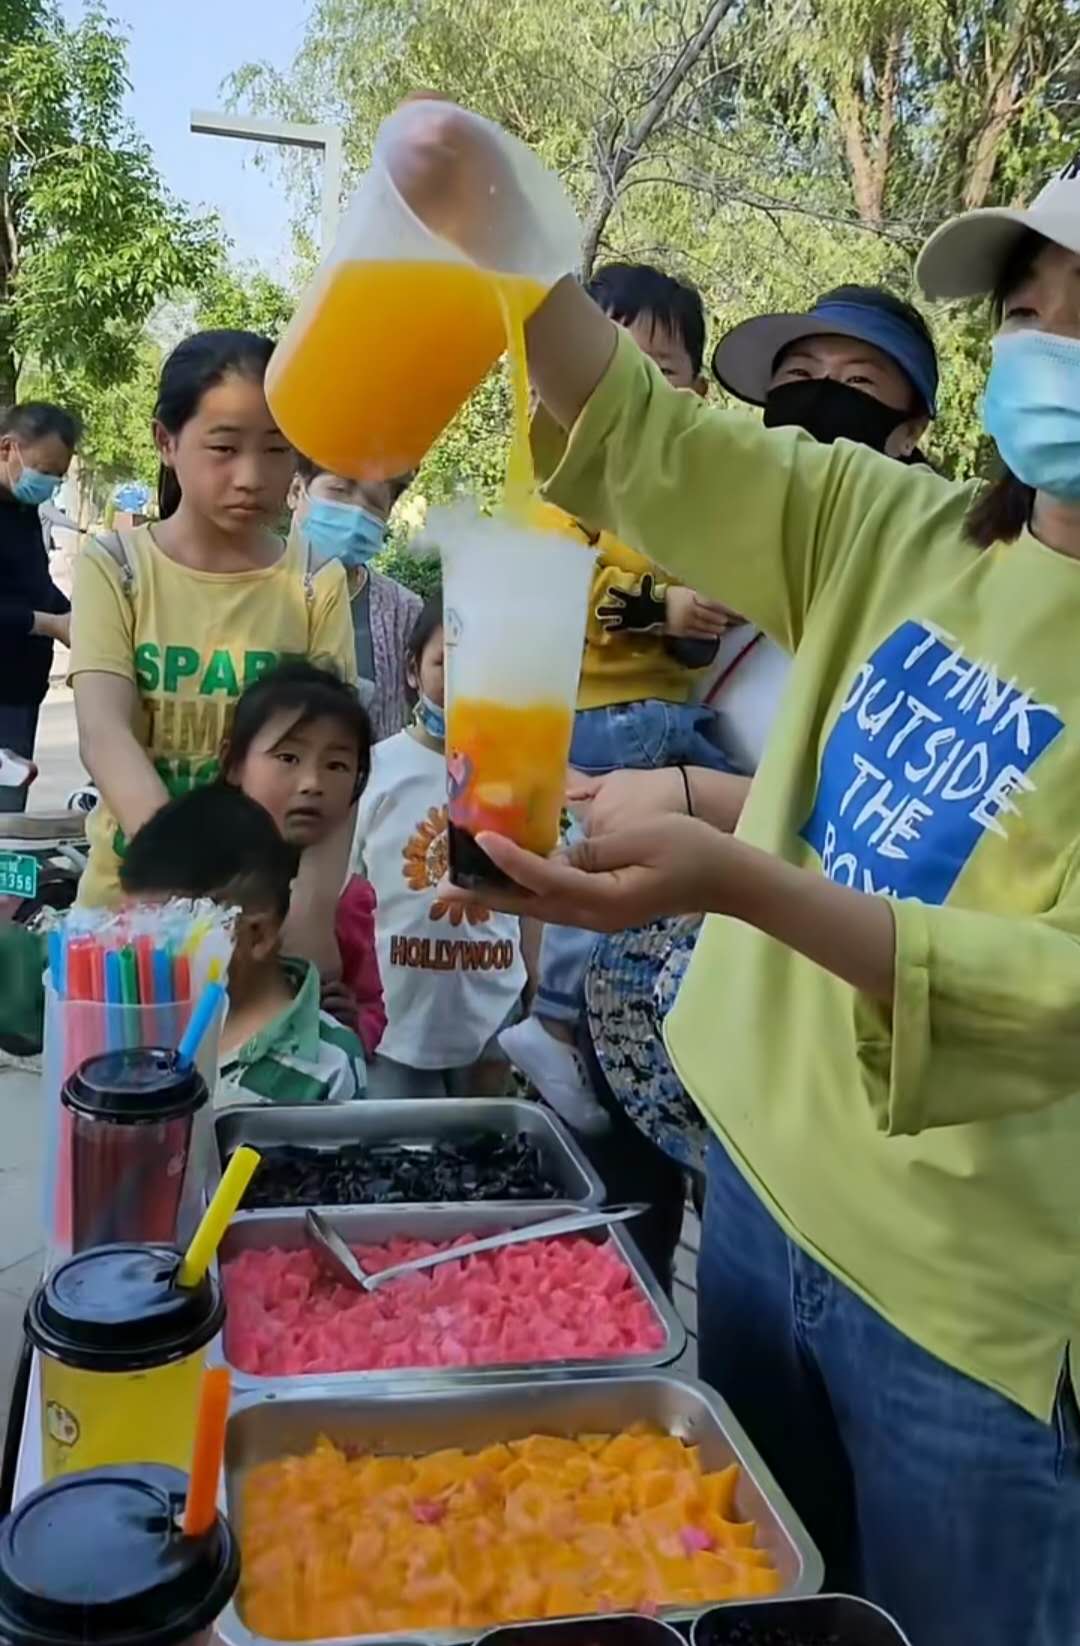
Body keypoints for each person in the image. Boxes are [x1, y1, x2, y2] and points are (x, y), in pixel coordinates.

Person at [412, 108, 1080, 1646]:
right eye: (1034, 314)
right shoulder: (902, 529)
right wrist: (510, 241)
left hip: (963, 1305)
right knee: (763, 1614)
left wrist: (727, 877)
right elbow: (655, 438)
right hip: (759, 1209)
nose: (1049, 348)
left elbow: (1051, 993)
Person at [499, 262, 733, 1131]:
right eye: (612, 367)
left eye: (660, 372)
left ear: (698, 391)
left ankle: (567, 1021)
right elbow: (564, 584)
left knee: (615, 858)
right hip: (617, 718)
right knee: (623, 852)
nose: (634, 390)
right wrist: (662, 605)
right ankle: (560, 1022)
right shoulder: (574, 488)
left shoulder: (681, 492)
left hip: (654, 709)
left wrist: (698, 615)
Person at [68, 330, 356, 974]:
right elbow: (105, 733)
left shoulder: (315, 584)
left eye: (277, 451)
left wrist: (309, 915)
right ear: (166, 442)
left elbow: (338, 770)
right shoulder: (117, 568)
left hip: (263, 934)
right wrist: (194, 891)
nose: (252, 478)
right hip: (130, 914)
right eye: (223, 448)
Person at [356, 593, 526, 1097]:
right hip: (394, 1025)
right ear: (412, 670)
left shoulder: (516, 778)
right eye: (445, 663)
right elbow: (346, 896)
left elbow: (536, 888)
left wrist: (533, 980)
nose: (464, 684)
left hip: (493, 1017)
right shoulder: (374, 772)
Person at [119, 784, 367, 1104]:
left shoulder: (327, 1065)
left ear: (258, 935)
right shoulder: (138, 1021)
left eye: (165, 936)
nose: (142, 954)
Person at [221, 660, 386, 1058]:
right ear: (233, 764)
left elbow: (372, 1009)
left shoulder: (350, 896)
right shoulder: (201, 882)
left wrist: (351, 1021)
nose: (313, 784)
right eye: (288, 759)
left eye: (336, 765)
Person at [289, 457, 421, 740]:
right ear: (297, 491)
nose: (357, 512)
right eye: (339, 490)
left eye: (374, 503)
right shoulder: (247, 584)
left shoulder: (404, 612)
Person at [0, 403, 80, 810]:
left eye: (57, 475)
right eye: (43, 470)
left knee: (8, 827)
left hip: (20, 690)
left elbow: (35, 585)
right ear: (7, 449)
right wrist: (48, 624)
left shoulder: (22, 507)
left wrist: (78, 615)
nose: (48, 483)